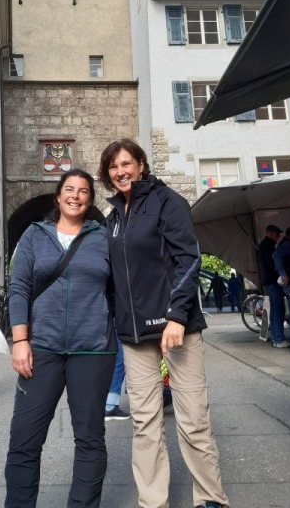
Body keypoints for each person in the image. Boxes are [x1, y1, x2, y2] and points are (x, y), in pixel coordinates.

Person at [98, 138, 228, 508]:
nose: (120, 171)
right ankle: (153, 501)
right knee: (145, 423)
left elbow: (189, 259)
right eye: (113, 167)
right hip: (134, 336)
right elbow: (112, 277)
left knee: (193, 418)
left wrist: (176, 316)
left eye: (126, 163)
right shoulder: (113, 218)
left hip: (176, 328)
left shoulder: (167, 201)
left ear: (141, 164)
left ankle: (210, 498)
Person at [4, 168, 117, 508]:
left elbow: (120, 289)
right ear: (58, 195)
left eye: (83, 191)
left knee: (90, 439)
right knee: (24, 439)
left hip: (93, 350)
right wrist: (20, 341)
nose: (75, 196)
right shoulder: (34, 235)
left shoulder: (103, 238)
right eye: (69, 189)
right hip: (41, 348)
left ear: (90, 199)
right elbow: (19, 288)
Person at [257, 224, 289, 348]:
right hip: (273, 280)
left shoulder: (263, 245)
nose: (279, 236)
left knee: (275, 309)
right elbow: (272, 264)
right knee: (278, 309)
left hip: (268, 281)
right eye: (277, 234)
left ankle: (276, 338)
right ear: (270, 233)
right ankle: (279, 339)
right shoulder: (269, 246)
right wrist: (281, 273)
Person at [273, 226, 290, 358]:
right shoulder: (289, 245)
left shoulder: (284, 244)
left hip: (288, 285)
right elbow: (276, 255)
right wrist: (283, 273)